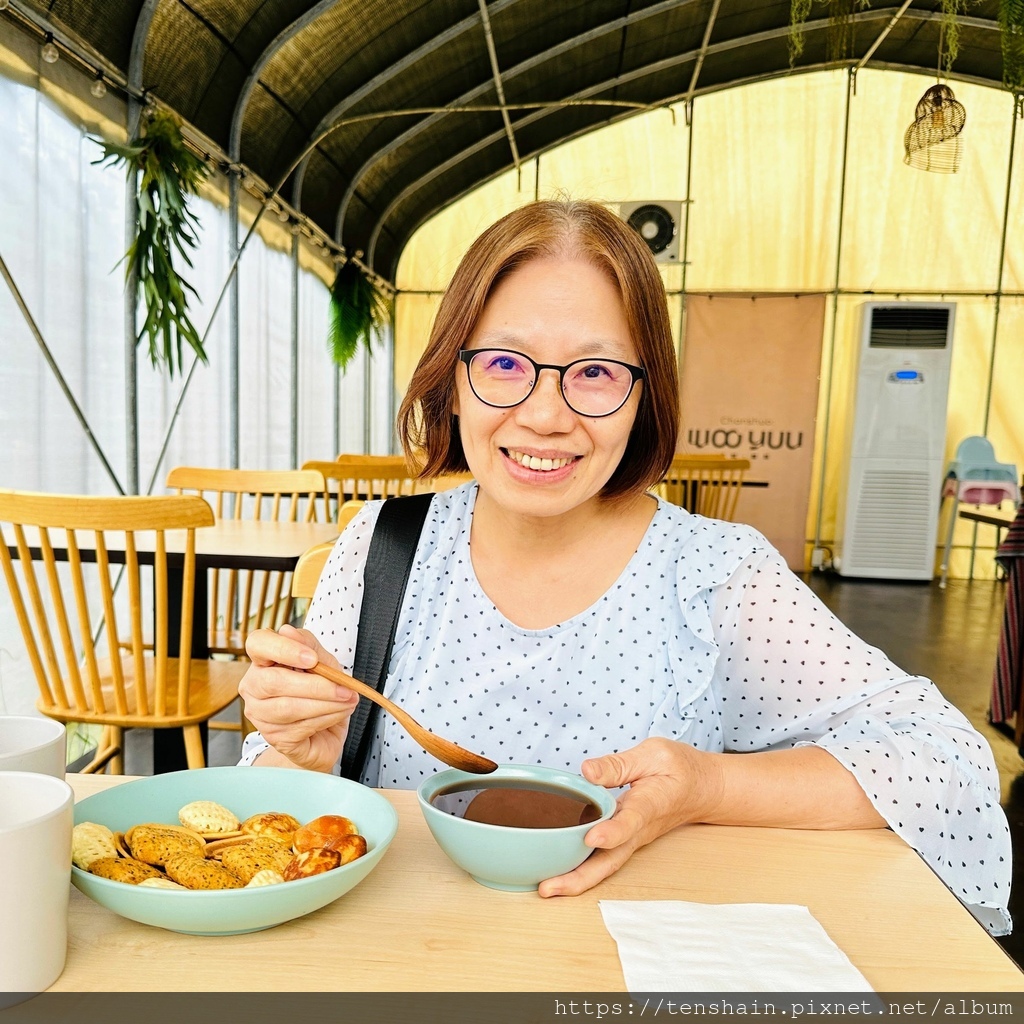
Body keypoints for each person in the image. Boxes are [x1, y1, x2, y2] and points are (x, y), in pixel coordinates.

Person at [239, 199, 1011, 934]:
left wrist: (708, 788)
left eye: (596, 373)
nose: (545, 415)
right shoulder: (381, 550)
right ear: (453, 376)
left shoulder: (715, 573)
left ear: (646, 395)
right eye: (506, 363)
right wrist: (300, 756)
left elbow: (946, 762)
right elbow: (272, 827)